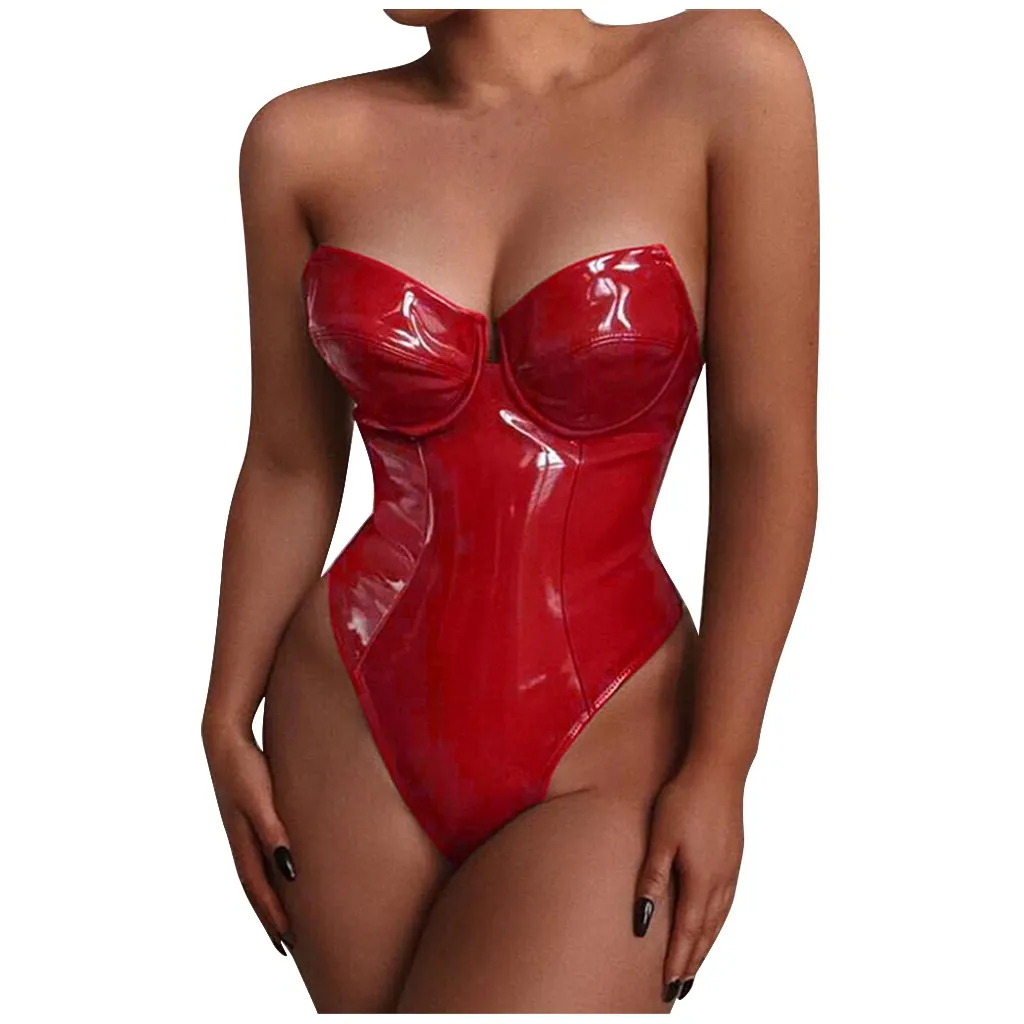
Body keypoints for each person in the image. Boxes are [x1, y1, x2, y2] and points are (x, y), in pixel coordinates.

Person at [201, 8, 819, 1013]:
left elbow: (765, 450)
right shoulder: (298, 143)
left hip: (612, 738)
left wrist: (722, 763)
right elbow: (288, 462)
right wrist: (225, 714)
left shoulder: (725, 75)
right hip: (350, 728)